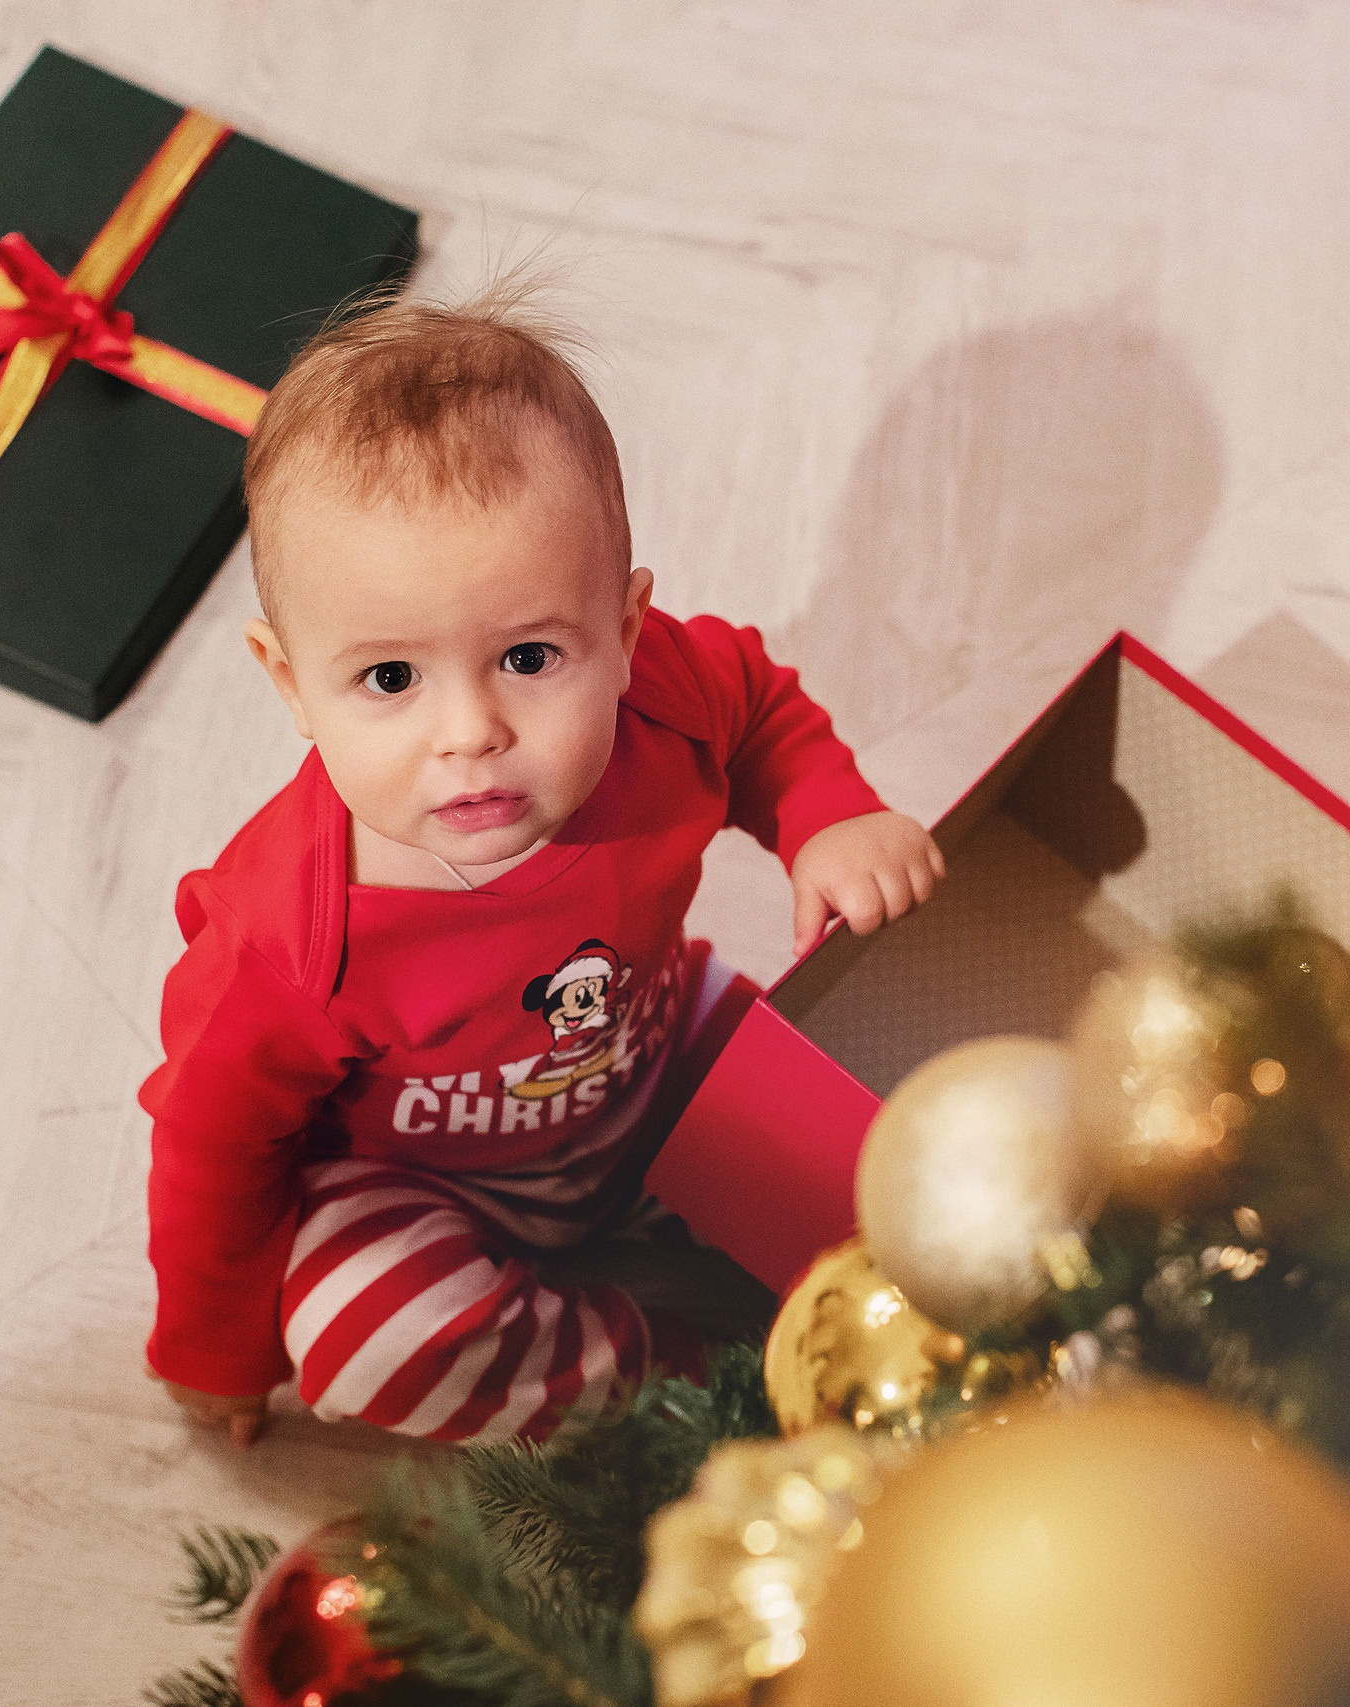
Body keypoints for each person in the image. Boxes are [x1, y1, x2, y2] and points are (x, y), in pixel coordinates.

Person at [141, 291, 942, 1447]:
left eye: (528, 657)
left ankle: (830, 1290)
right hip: (425, 1181)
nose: (470, 732)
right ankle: (653, 1361)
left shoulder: (662, 694)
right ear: (289, 683)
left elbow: (757, 704)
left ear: (623, 630)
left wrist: (828, 815)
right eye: (388, 680)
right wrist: (212, 1347)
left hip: (657, 1054)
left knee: (882, 1152)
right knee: (360, 1337)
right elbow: (214, 1154)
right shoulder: (284, 943)